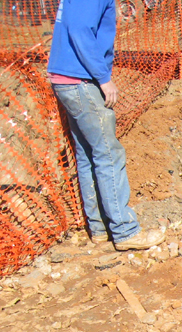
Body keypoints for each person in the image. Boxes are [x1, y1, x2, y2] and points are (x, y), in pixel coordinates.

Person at [47, 0, 164, 250]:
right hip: (81, 80)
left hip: (69, 79)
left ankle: (99, 228)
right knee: (108, 153)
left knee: (88, 153)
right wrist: (103, 78)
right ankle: (125, 231)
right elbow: (80, 30)